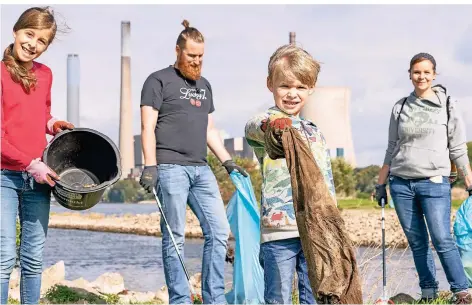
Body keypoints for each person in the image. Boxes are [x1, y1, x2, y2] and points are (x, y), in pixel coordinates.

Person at [139, 19, 247, 304]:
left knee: (219, 231)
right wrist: (149, 166)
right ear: (178, 50)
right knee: (175, 236)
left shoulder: (205, 86)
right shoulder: (157, 80)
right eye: (191, 56)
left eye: (201, 56)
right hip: (170, 166)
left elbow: (210, 130)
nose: (197, 61)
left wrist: (228, 161)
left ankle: (214, 298)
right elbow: (147, 127)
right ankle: (180, 299)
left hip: (201, 168)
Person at [376, 52, 472, 304]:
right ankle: (428, 293)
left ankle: (462, 292)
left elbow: (458, 147)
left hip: (435, 182)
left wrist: (468, 178)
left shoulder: (448, 105)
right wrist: (380, 182)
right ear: (410, 74)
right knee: (417, 242)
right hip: (401, 183)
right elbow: (391, 146)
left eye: (426, 72)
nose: (421, 76)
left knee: (442, 238)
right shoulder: (400, 106)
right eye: (416, 72)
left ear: (434, 75)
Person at [245, 44, 336, 304]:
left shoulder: (315, 132)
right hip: (279, 231)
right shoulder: (267, 122)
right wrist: (273, 126)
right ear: (270, 84)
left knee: (314, 296)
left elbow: (326, 182)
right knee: (278, 297)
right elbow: (256, 128)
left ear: (311, 88)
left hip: (314, 229)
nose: (292, 94)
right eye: (285, 86)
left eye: (300, 87)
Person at [1, 7, 75, 304]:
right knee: (4, 256)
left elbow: (39, 112)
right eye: (29, 34)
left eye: (41, 41)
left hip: (38, 178)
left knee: (33, 258)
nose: (33, 44)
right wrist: (31, 164)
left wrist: (52, 123)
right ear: (16, 31)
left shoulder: (45, 74)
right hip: (4, 175)